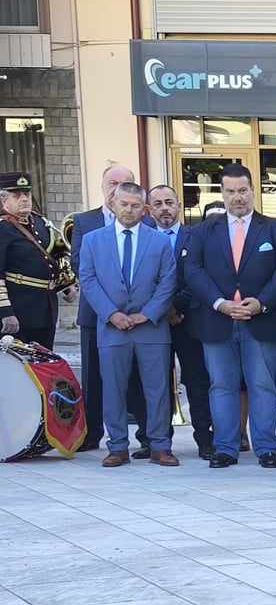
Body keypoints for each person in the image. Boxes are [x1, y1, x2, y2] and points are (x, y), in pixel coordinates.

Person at [180, 163, 276, 467]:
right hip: (217, 320)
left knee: (262, 384)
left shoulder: (275, 229)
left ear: (253, 191)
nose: (237, 197)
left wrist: (262, 302)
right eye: (230, 192)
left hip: (262, 320)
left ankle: (266, 447)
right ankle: (225, 448)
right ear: (222, 193)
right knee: (221, 385)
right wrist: (219, 302)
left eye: (242, 190)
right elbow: (192, 270)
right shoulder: (203, 231)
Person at [75, 182, 179, 468]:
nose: (129, 210)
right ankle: (118, 446)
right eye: (124, 204)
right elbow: (88, 279)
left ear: (143, 208)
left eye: (135, 205)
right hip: (112, 327)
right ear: (114, 203)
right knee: (113, 388)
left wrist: (148, 314)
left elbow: (168, 281)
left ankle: (160, 446)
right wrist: (111, 314)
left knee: (157, 390)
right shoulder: (94, 240)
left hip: (152, 328)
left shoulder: (158, 241)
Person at [70, 164, 140, 451]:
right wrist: (109, 307)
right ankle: (92, 433)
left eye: (125, 182)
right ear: (102, 184)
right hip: (95, 313)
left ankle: (146, 435)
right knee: (94, 377)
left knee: (136, 376)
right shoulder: (84, 221)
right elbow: (79, 265)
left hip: (136, 315)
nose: (117, 187)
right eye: (113, 181)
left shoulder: (141, 218)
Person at [146, 185, 213, 459]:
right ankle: (157, 442)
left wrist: (177, 306)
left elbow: (199, 275)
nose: (165, 208)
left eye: (169, 202)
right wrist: (163, 309)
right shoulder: (145, 239)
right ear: (149, 209)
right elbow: (142, 281)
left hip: (189, 320)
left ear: (178, 204)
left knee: (197, 382)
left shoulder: (195, 236)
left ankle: (205, 440)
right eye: (158, 203)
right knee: (156, 383)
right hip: (154, 322)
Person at [0, 172, 62, 350]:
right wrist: (6, 312)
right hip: (19, 311)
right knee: (18, 368)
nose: (24, 199)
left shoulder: (40, 222)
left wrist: (67, 285)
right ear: (4, 200)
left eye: (26, 194)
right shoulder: (3, 228)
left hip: (47, 307)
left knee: (43, 362)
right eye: (17, 195)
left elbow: (55, 254)